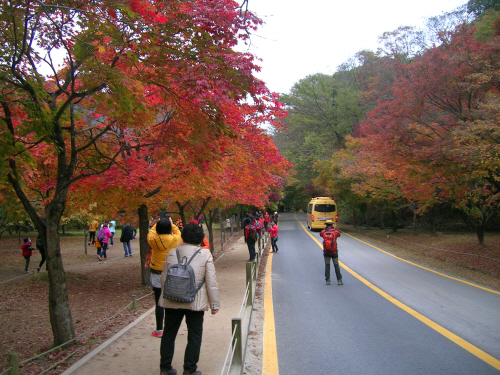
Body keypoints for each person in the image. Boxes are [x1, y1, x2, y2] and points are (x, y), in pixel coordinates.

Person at [158, 223, 220, 375]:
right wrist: (214, 304)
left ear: (183, 237)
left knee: (169, 334)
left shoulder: (173, 252)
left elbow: (163, 278)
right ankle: (190, 369)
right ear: (200, 238)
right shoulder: (205, 254)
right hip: (195, 301)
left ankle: (165, 368)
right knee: (194, 335)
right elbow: (211, 282)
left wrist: (165, 298)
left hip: (173, 299)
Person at [148, 217, 182, 338]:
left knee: (159, 301)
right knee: (171, 300)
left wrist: (156, 223)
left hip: (156, 271)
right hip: (170, 272)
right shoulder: (174, 240)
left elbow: (151, 232)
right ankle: (170, 328)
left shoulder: (152, 239)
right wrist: (171, 224)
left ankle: (159, 329)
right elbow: (178, 232)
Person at [319, 220, 342, 285]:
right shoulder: (335, 232)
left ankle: (328, 280)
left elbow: (320, 234)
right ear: (332, 225)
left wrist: (325, 229)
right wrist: (334, 228)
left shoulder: (323, 232)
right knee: (336, 265)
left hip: (326, 251)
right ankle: (339, 280)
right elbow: (339, 235)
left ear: (326, 225)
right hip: (334, 251)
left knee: (327, 265)